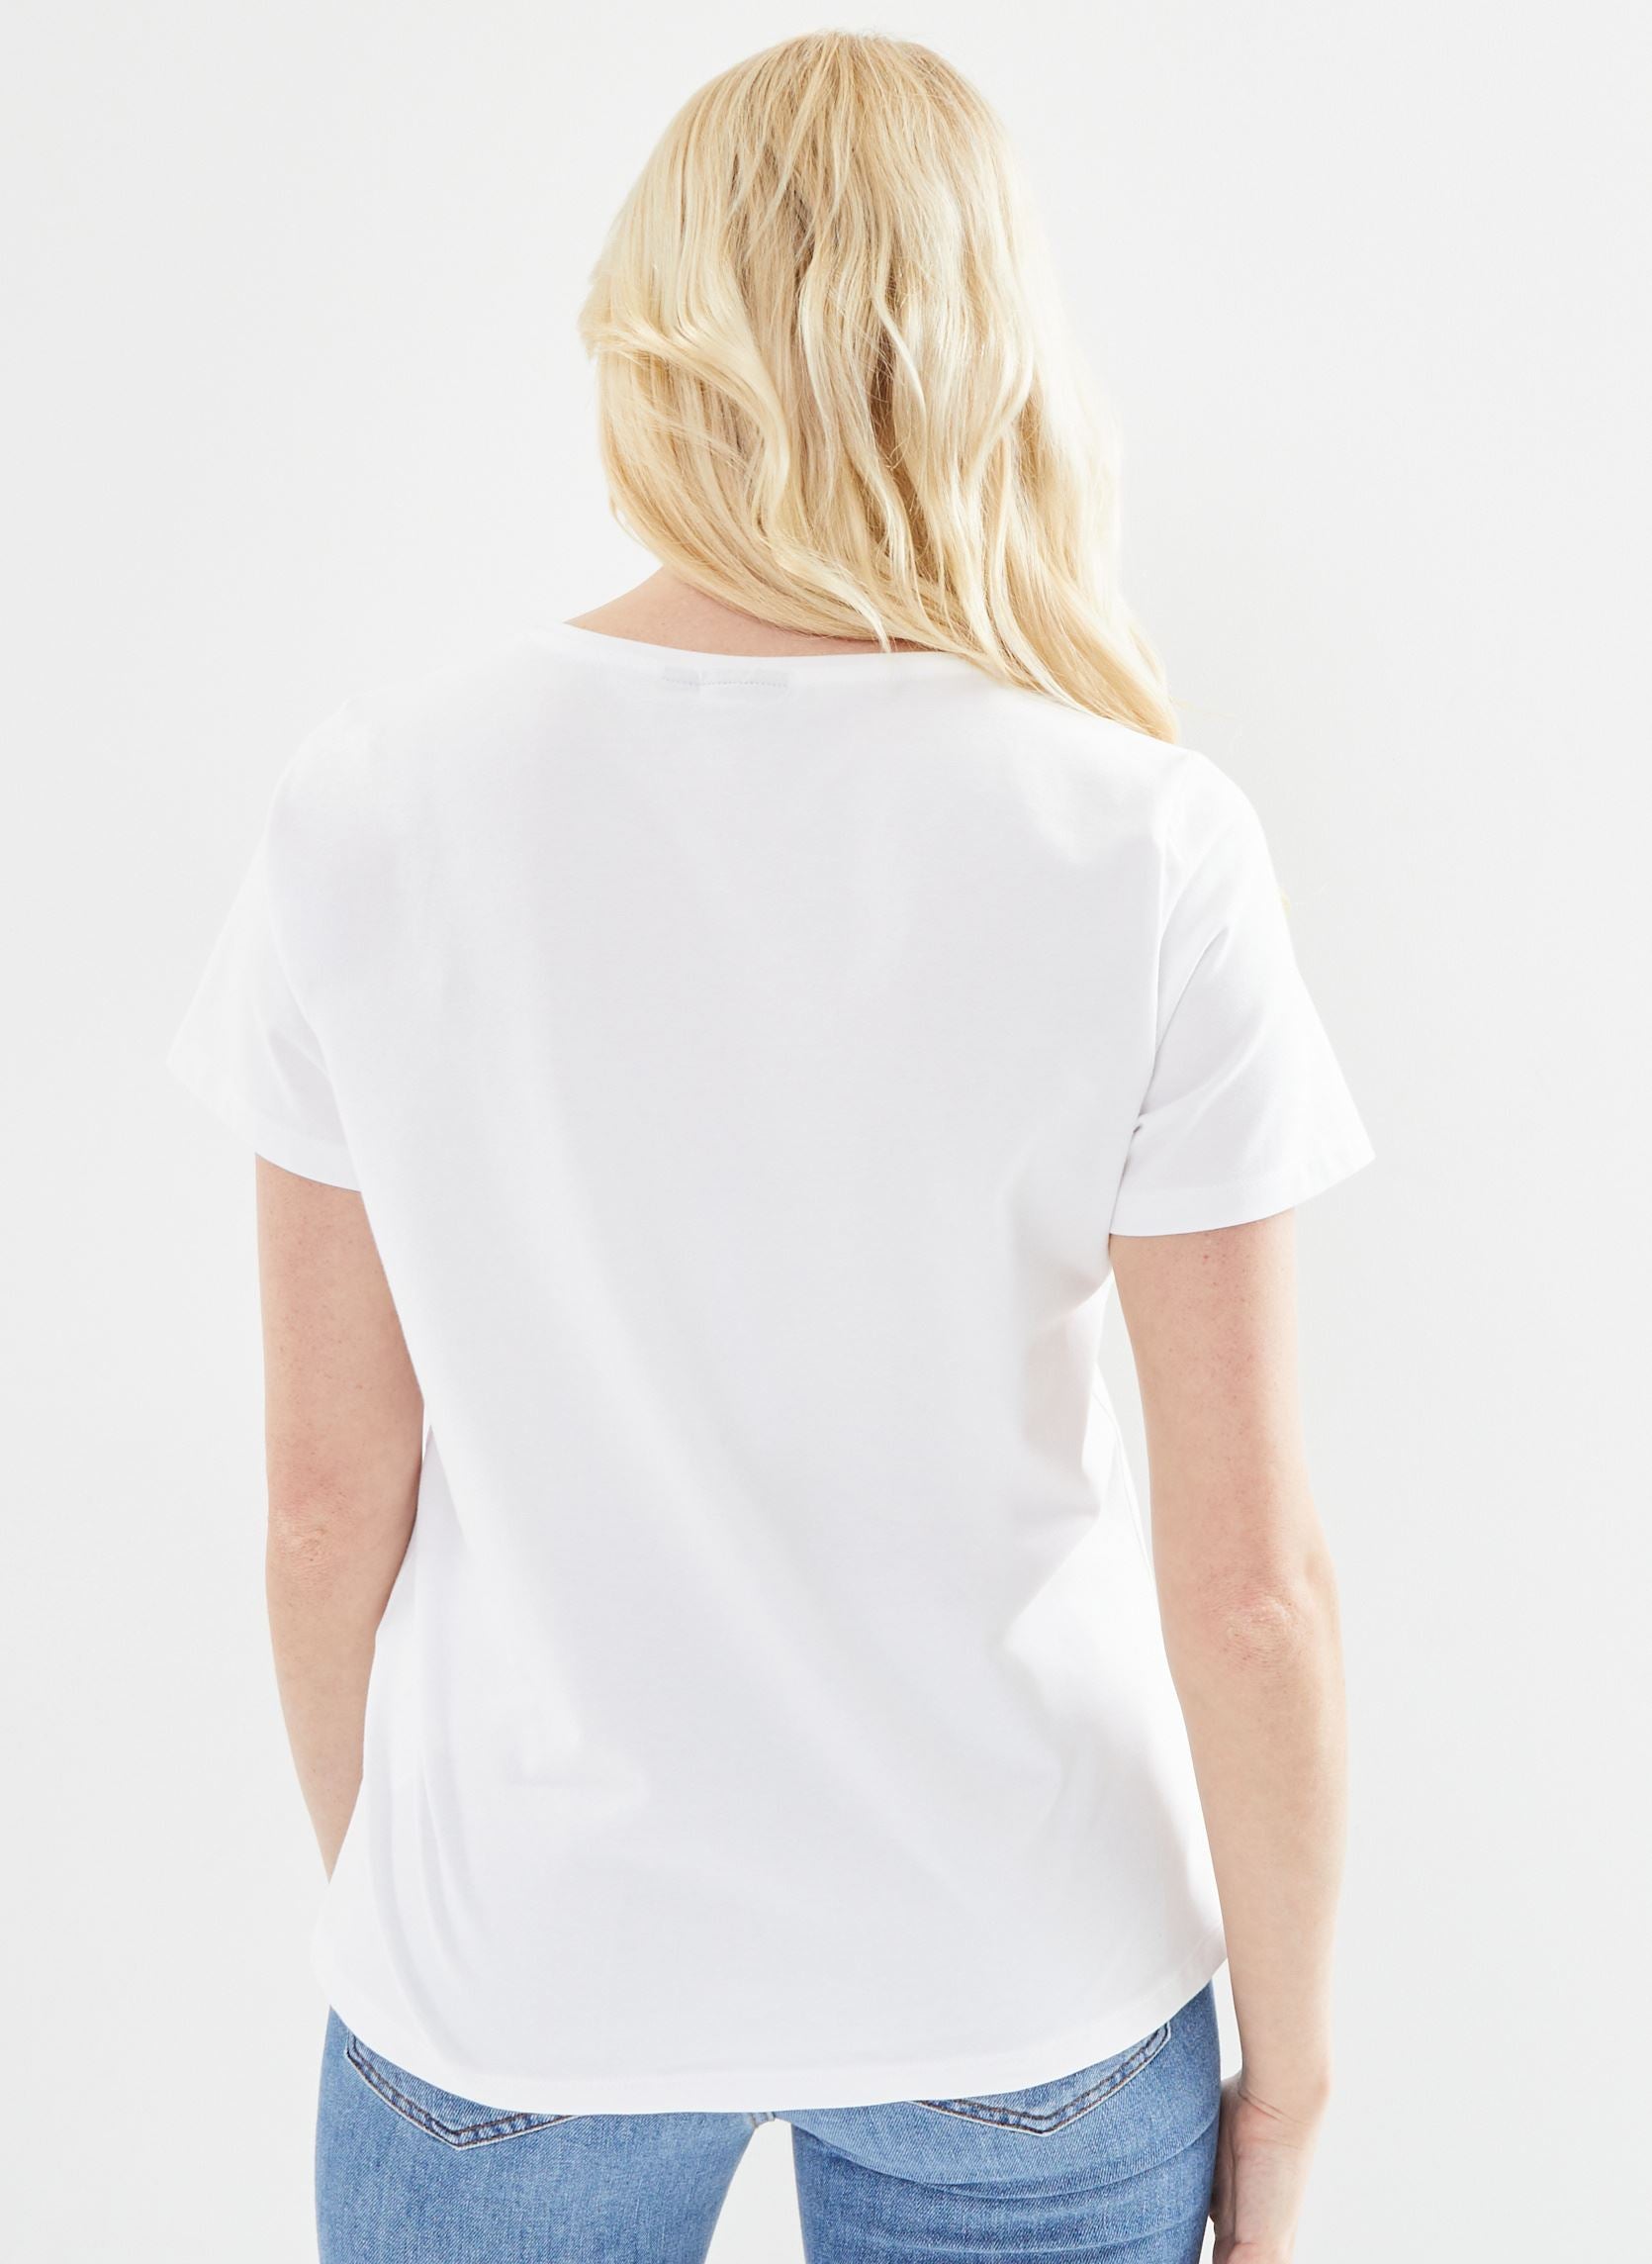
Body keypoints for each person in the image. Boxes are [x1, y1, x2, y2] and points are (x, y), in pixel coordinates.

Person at [166, 31, 1373, 2264]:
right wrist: (1284, 2091)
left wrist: (443, 1943)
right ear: (995, 353)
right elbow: (1250, 1592)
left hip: (519, 1962)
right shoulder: (1140, 844)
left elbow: (327, 1507)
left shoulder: (376, 809)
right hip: (1020, 1970)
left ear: (647, 337)